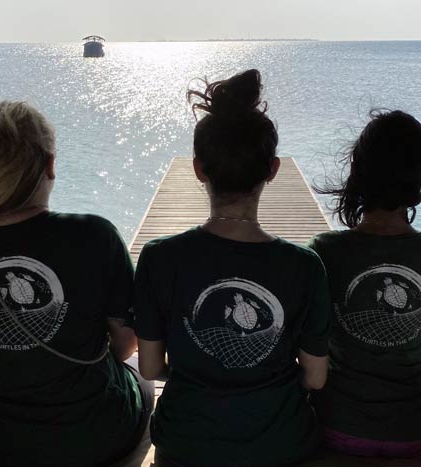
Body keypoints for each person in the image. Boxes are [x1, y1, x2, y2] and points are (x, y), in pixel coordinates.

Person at [0, 101, 153, 467]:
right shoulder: (94, 236)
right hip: (95, 437)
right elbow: (125, 346)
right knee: (141, 377)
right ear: (50, 165)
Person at [134, 70, 330, 467]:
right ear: (273, 170)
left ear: (198, 169)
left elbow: (151, 367)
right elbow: (315, 379)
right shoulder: (305, 266)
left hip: (184, 446)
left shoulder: (158, 258)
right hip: (281, 446)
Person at [308, 109, 421, 457]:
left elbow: (310, 346)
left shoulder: (323, 252)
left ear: (357, 174)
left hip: (334, 425)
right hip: (416, 429)